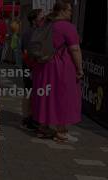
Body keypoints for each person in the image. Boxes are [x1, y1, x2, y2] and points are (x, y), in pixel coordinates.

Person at [31, 0, 83, 142]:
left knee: (45, 95)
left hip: (42, 66)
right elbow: (75, 49)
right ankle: (61, 132)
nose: (71, 13)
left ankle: (43, 128)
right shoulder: (67, 27)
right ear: (62, 11)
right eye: (69, 10)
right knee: (62, 97)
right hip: (60, 67)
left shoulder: (45, 23)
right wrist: (79, 68)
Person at [20, 9, 44, 131]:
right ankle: (29, 118)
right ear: (35, 20)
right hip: (32, 66)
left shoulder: (29, 32)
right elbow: (26, 52)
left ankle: (28, 117)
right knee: (31, 92)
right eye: (41, 17)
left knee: (30, 92)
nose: (43, 19)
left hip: (30, 65)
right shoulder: (32, 33)